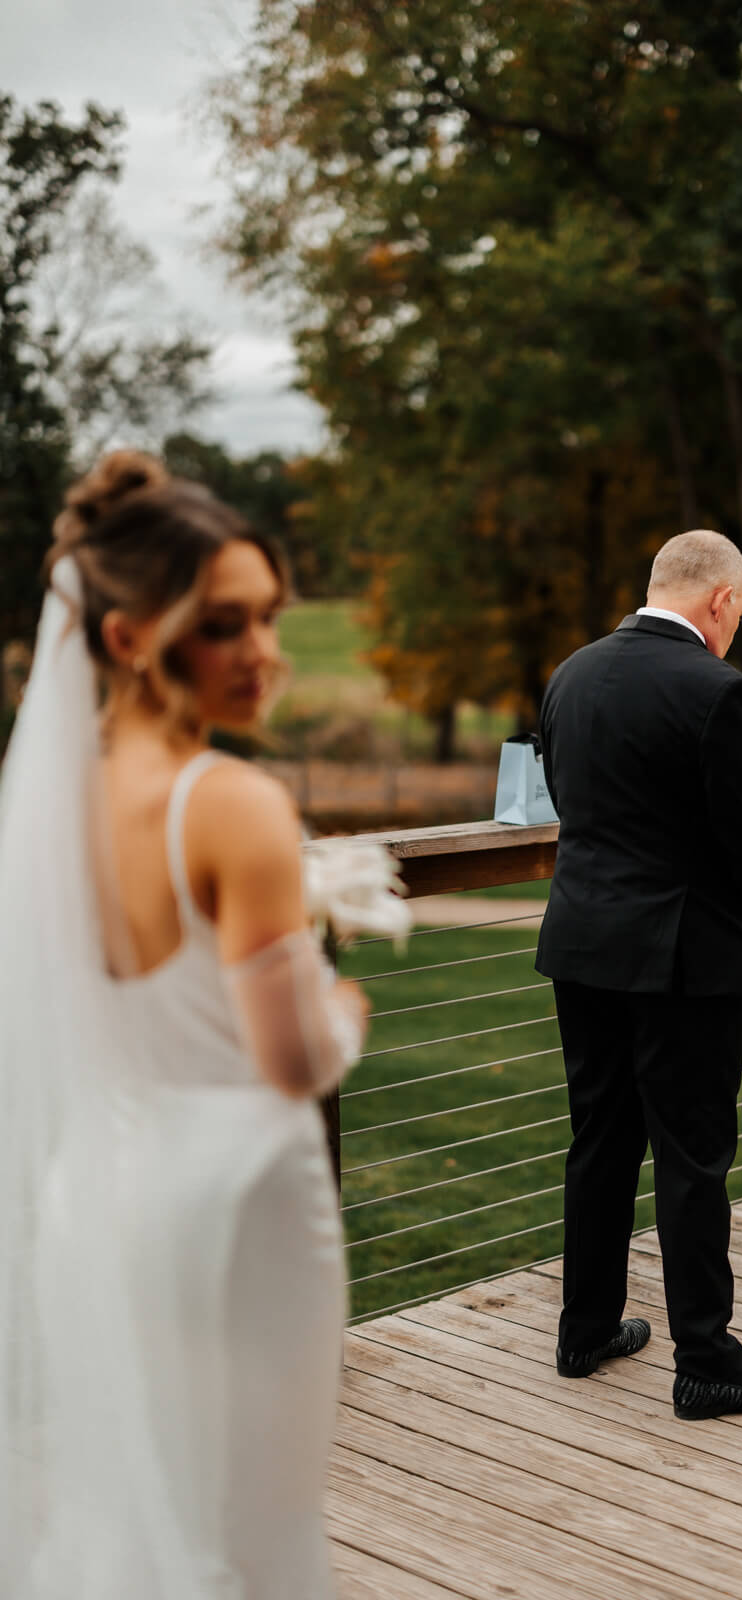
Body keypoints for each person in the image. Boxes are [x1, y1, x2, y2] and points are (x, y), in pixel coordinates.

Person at [0, 451, 368, 1597]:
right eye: (223, 625)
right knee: (257, 1524)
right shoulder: (234, 805)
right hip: (240, 1202)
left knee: (135, 1500)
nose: (263, 652)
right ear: (128, 639)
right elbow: (290, 1057)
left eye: (267, 617)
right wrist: (341, 1009)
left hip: (99, 1194)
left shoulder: (50, 797)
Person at [535, 528, 742, 1420]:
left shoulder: (569, 676)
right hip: (682, 957)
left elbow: (572, 806)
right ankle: (706, 1361)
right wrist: (733, 932)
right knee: (692, 1157)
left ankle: (585, 1329)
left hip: (580, 946)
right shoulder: (720, 691)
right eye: (741, 612)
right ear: (721, 601)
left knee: (600, 1139)